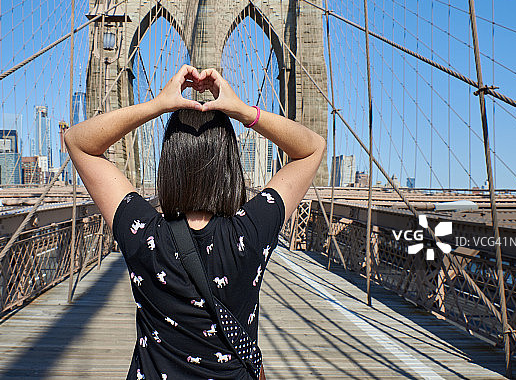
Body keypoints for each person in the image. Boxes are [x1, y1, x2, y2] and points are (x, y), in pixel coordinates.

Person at [63, 65, 325, 380]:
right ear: (230, 163)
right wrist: (243, 112)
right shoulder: (252, 230)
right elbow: (312, 149)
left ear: (168, 163)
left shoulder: (142, 232)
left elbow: (77, 141)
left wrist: (155, 106)